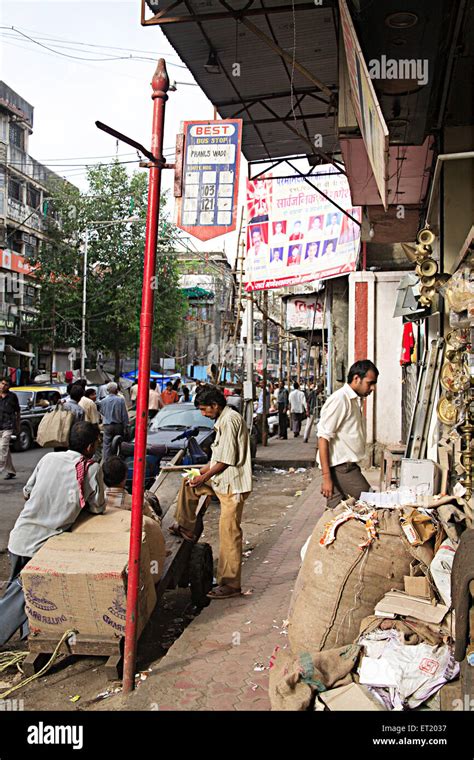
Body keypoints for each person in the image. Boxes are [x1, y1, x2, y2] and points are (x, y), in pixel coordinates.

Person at [0, 422, 104, 646]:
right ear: (88, 447)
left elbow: (27, 492)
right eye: (96, 443)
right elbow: (98, 506)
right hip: (43, 546)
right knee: (22, 596)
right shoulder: (90, 468)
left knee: (20, 591)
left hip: (20, 536)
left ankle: (32, 636)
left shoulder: (48, 459)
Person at [170, 385, 252, 600]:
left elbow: (226, 460)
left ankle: (230, 583)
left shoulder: (230, 420)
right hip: (219, 480)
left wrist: (203, 476)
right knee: (188, 481)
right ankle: (185, 526)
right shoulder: (221, 421)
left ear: (215, 406)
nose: (203, 414)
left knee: (229, 534)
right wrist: (199, 474)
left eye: (205, 410)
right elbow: (216, 460)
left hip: (232, 485)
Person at [317, 360, 378, 508]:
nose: (373, 388)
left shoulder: (354, 400)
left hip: (346, 466)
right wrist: (326, 478)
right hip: (341, 467)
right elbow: (323, 438)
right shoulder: (340, 399)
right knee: (372, 503)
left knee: (335, 513)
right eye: (370, 383)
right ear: (356, 378)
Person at [102, 456, 162, 522]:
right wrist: (149, 506)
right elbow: (156, 523)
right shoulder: (137, 503)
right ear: (125, 477)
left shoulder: (97, 503)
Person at [97, 382, 129, 461]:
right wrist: (126, 426)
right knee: (119, 443)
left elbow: (102, 412)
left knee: (107, 445)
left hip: (107, 425)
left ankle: (107, 461)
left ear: (108, 390)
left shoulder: (103, 401)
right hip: (118, 425)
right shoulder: (120, 400)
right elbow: (124, 414)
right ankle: (117, 460)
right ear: (116, 390)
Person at [0, 376, 20, 481]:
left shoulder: (12, 397)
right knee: (5, 451)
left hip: (8, 426)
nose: (3, 386)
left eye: (6, 384)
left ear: (9, 387)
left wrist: (18, 425)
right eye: (2, 383)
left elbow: (17, 411)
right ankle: (11, 471)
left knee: (2, 448)